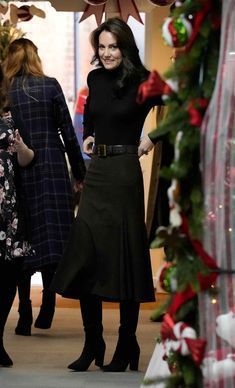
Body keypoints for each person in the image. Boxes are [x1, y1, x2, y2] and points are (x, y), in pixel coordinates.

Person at [51, 17, 162, 372]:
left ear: (125, 47)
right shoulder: (94, 78)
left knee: (125, 258)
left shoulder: (146, 81)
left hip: (125, 173)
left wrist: (151, 139)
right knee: (86, 257)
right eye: (102, 47)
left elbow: (185, 108)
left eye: (113, 46)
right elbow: (94, 119)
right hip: (96, 174)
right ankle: (93, 342)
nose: (107, 53)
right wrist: (89, 134)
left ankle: (127, 343)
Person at [3, 38, 86, 336]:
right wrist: (80, 172)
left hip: (19, 170)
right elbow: (68, 131)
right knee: (52, 237)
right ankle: (48, 301)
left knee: (25, 239)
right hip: (51, 166)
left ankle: (24, 310)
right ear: (36, 57)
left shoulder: (6, 91)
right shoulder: (50, 86)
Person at [0, 64, 36, 366]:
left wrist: (22, 147)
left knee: (10, 272)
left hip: (7, 206)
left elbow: (27, 159)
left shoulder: (11, 114)